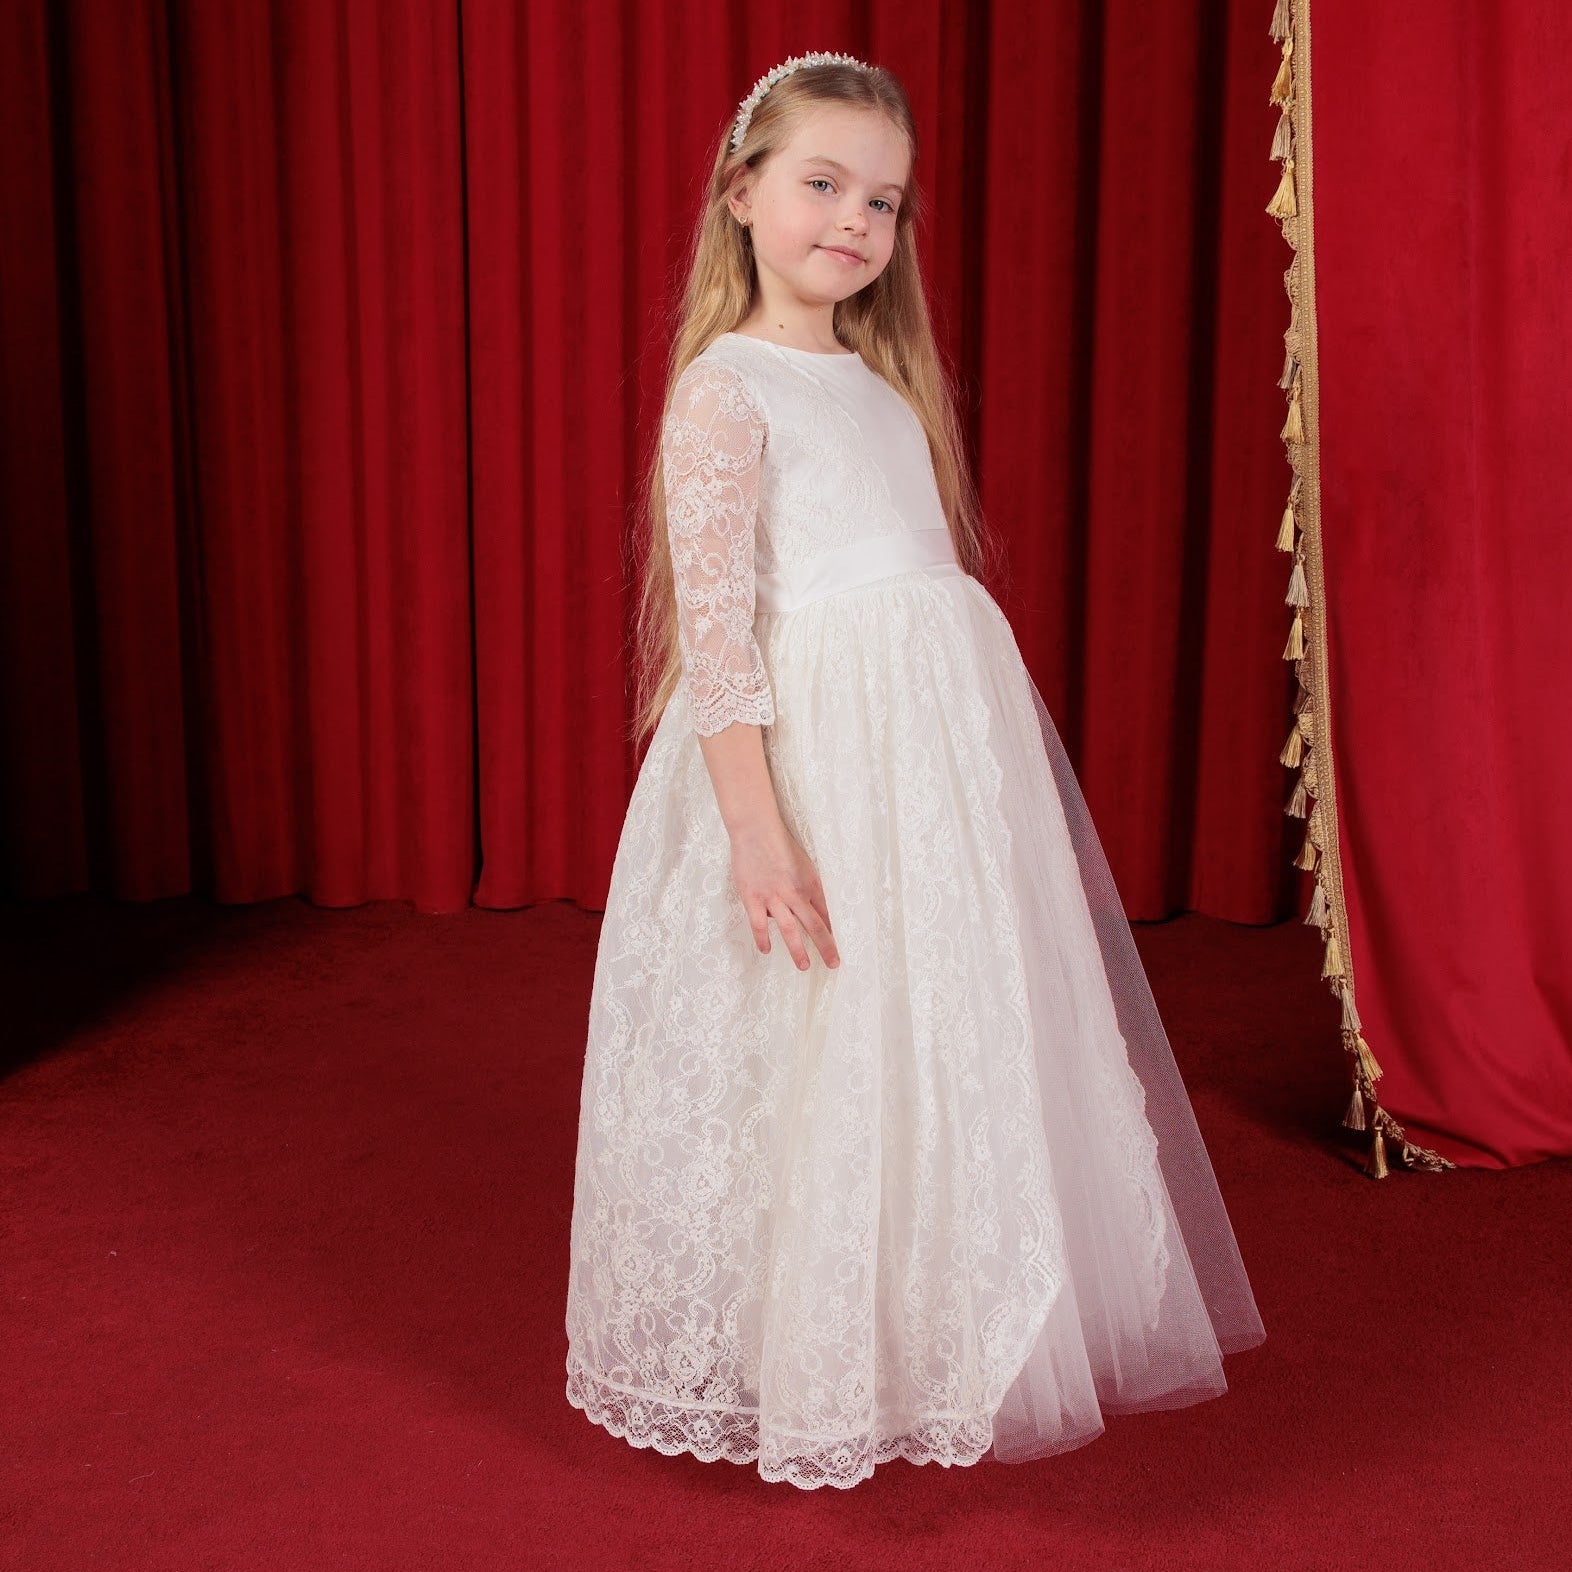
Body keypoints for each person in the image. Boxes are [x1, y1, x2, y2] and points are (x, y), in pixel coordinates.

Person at [564, 50, 1265, 1492]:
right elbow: (721, 634)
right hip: (815, 768)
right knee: (815, 1043)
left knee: (928, 1025)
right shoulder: (726, 387)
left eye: (883, 201)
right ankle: (812, 1343)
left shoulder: (885, 388)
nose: (855, 223)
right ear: (743, 191)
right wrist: (758, 831)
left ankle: (923, 1318)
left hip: (927, 769)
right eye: (822, 184)